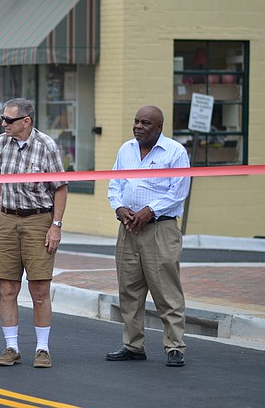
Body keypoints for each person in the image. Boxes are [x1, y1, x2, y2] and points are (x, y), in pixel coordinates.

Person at [106, 105, 191, 367]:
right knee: (129, 290)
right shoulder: (126, 149)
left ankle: (174, 347)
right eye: (136, 121)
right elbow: (114, 184)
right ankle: (133, 345)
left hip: (160, 229)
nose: (138, 126)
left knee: (166, 290)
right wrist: (119, 208)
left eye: (145, 123)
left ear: (159, 128)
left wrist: (149, 211)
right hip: (128, 228)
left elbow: (178, 192)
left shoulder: (175, 152)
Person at [0, 98, 68, 369]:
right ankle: (11, 347)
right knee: (7, 287)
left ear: (26, 121)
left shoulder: (46, 146)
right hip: (8, 219)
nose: (3, 124)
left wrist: (55, 226)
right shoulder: (1, 143)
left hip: (38, 219)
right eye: (3, 119)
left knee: (39, 288)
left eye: (9, 120)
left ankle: (42, 349)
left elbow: (60, 188)